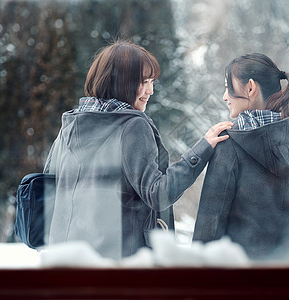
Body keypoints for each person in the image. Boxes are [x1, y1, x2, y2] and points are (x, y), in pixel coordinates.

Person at [43, 40, 232, 260]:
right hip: (123, 265)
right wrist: (201, 151)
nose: (151, 90)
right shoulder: (132, 125)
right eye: (144, 82)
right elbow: (159, 193)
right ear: (121, 82)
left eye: (152, 81)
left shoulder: (71, 124)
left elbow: (48, 190)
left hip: (69, 261)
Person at [193, 53, 289, 261]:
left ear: (250, 88)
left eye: (227, 87)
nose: (224, 97)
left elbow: (209, 225)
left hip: (241, 281)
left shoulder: (228, 144)